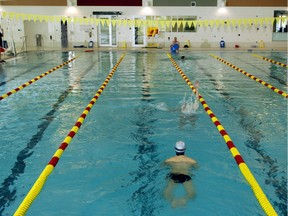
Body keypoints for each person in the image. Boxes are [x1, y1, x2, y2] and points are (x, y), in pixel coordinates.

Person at [164, 141, 197, 207]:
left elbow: (162, 167)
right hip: (185, 176)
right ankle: (184, 200)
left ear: (175, 149)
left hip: (174, 176)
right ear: (185, 149)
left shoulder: (169, 160)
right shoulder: (192, 161)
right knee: (192, 193)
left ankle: (172, 201)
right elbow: (196, 169)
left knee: (166, 193)